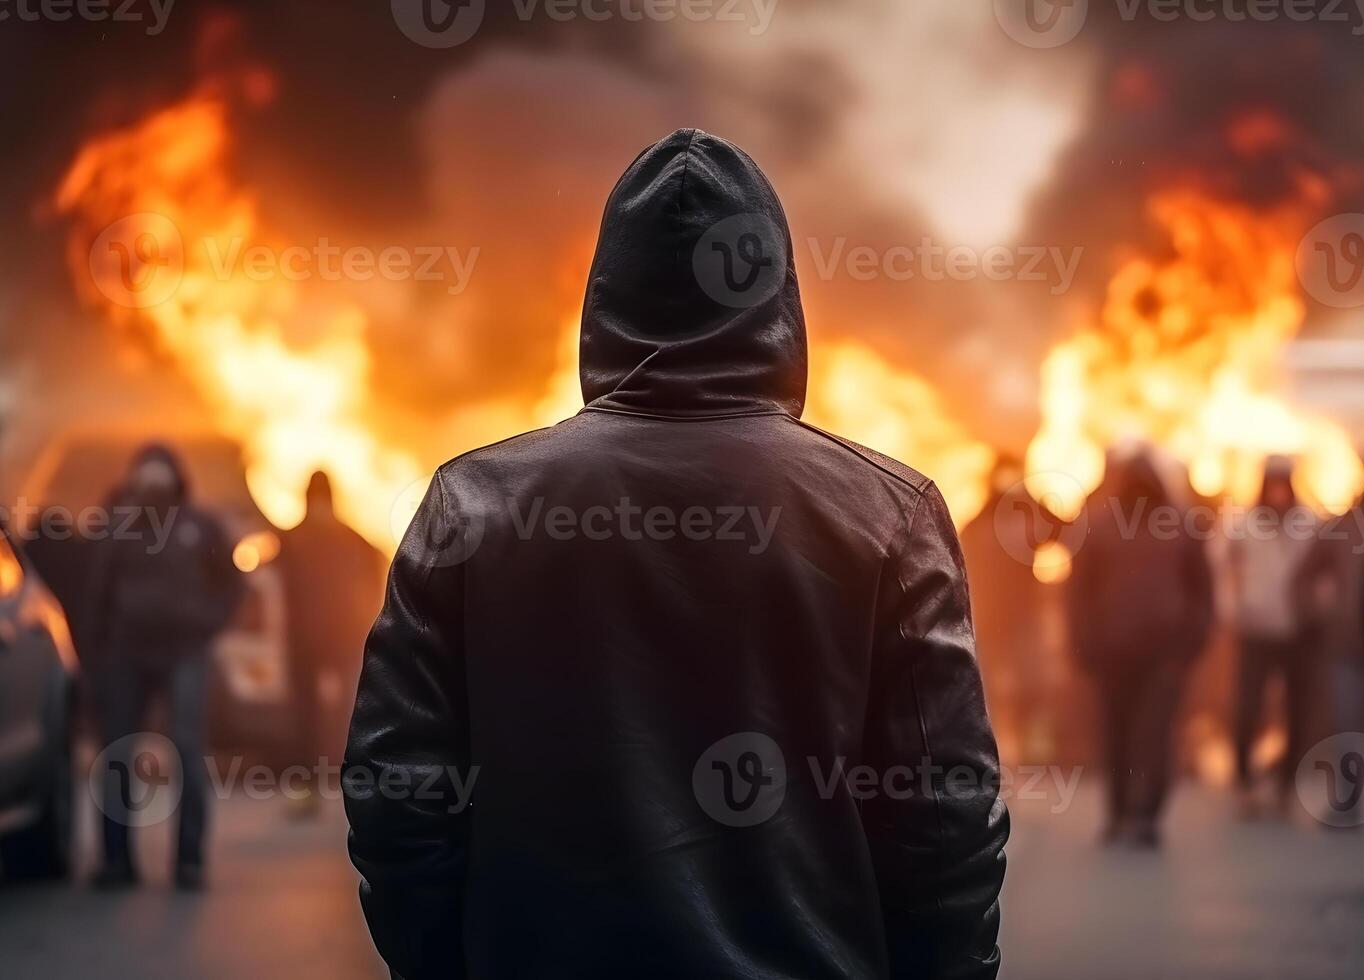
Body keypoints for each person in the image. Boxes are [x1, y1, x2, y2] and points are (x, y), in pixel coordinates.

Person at [345, 131, 1007, 978]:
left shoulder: (472, 502)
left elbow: (396, 792)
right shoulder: (887, 513)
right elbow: (943, 816)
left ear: (607, 294)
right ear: (777, 293)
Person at [85, 442, 245, 891]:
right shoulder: (118, 526)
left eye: (162, 471)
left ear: (177, 477)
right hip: (125, 654)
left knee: (188, 752)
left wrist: (210, 624)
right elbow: (96, 594)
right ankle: (116, 862)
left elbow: (234, 582)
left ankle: (189, 862)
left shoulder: (202, 525)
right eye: (146, 472)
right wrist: (94, 656)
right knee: (116, 754)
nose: (154, 480)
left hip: (186, 651)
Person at [1065, 442, 1214, 848]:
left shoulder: (1182, 527)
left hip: (1165, 654)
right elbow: (1078, 592)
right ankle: (1118, 813)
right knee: (1115, 733)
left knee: (1153, 734)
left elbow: (1203, 591)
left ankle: (1145, 814)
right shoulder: (1098, 526)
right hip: (1112, 653)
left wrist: (1192, 642)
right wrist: (1083, 643)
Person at [274, 471, 385, 818]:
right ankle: (339, 789)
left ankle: (325, 789)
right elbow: (376, 569)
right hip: (330, 638)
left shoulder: (293, 537)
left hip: (323, 638)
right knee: (336, 717)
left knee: (326, 718)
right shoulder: (350, 536)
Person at [1222, 455, 1321, 808]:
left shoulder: (1309, 523)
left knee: (1298, 709)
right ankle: (1244, 779)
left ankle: (1285, 783)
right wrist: (1233, 608)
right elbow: (1221, 567)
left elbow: (1324, 569)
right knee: (1248, 707)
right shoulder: (1243, 524)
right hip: (1256, 629)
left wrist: (1317, 606)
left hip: (1298, 631)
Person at [958, 456, 1059, 764]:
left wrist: (1031, 497)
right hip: (990, 619)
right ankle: (1004, 750)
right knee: (995, 689)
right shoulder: (977, 525)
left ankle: (1028, 750)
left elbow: (1060, 531)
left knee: (1031, 685)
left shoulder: (1024, 519)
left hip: (1023, 617)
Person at [1297, 457, 1364, 746]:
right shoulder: (1343, 526)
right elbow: (1303, 578)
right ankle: (1348, 791)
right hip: (1347, 644)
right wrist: (1322, 613)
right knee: (1347, 728)